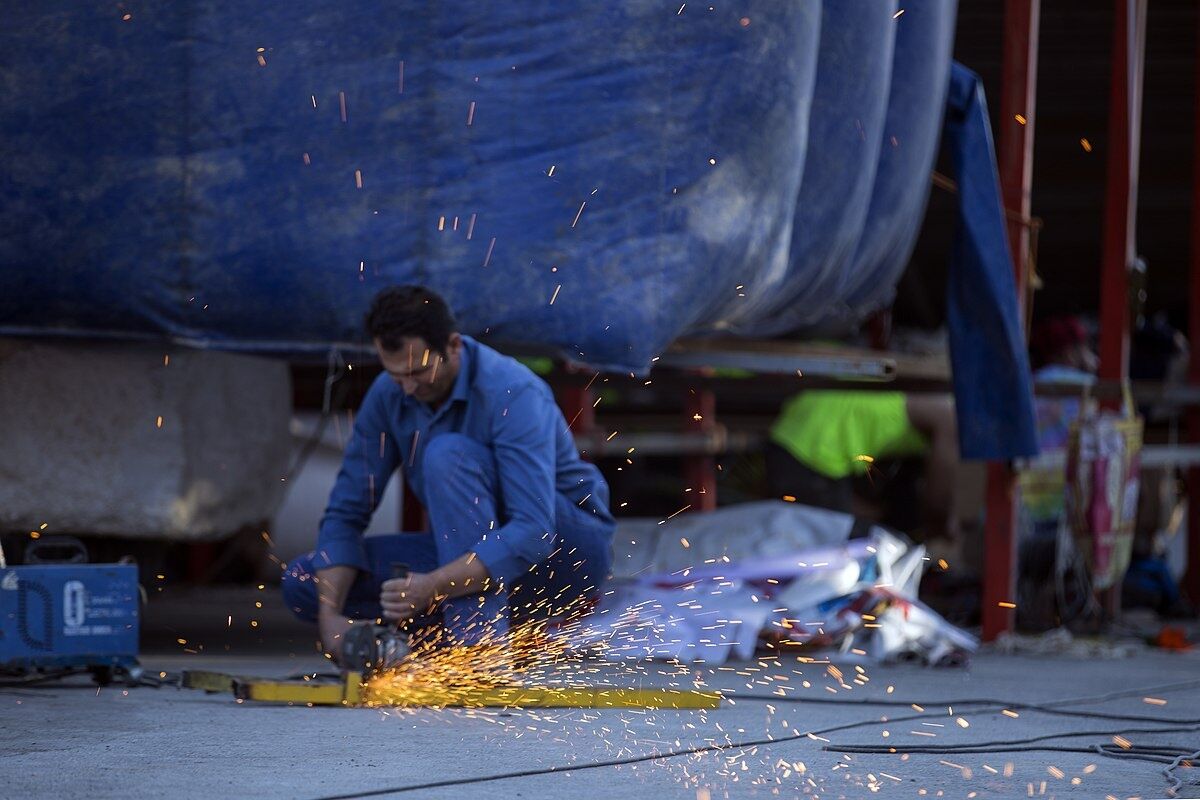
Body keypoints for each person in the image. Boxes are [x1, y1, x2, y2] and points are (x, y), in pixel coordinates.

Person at [282, 286, 615, 657]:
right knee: (305, 580)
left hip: (563, 555)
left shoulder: (513, 391)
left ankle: (478, 651)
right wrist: (331, 619)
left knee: (447, 453)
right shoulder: (388, 395)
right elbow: (346, 513)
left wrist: (433, 585)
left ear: (453, 346)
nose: (407, 387)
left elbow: (533, 531)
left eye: (418, 371)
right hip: (471, 561)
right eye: (396, 376)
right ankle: (461, 641)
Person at [765, 390, 959, 539]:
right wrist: (940, 526)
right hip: (812, 446)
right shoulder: (950, 416)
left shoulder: (939, 402)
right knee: (842, 547)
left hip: (804, 423)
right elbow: (937, 500)